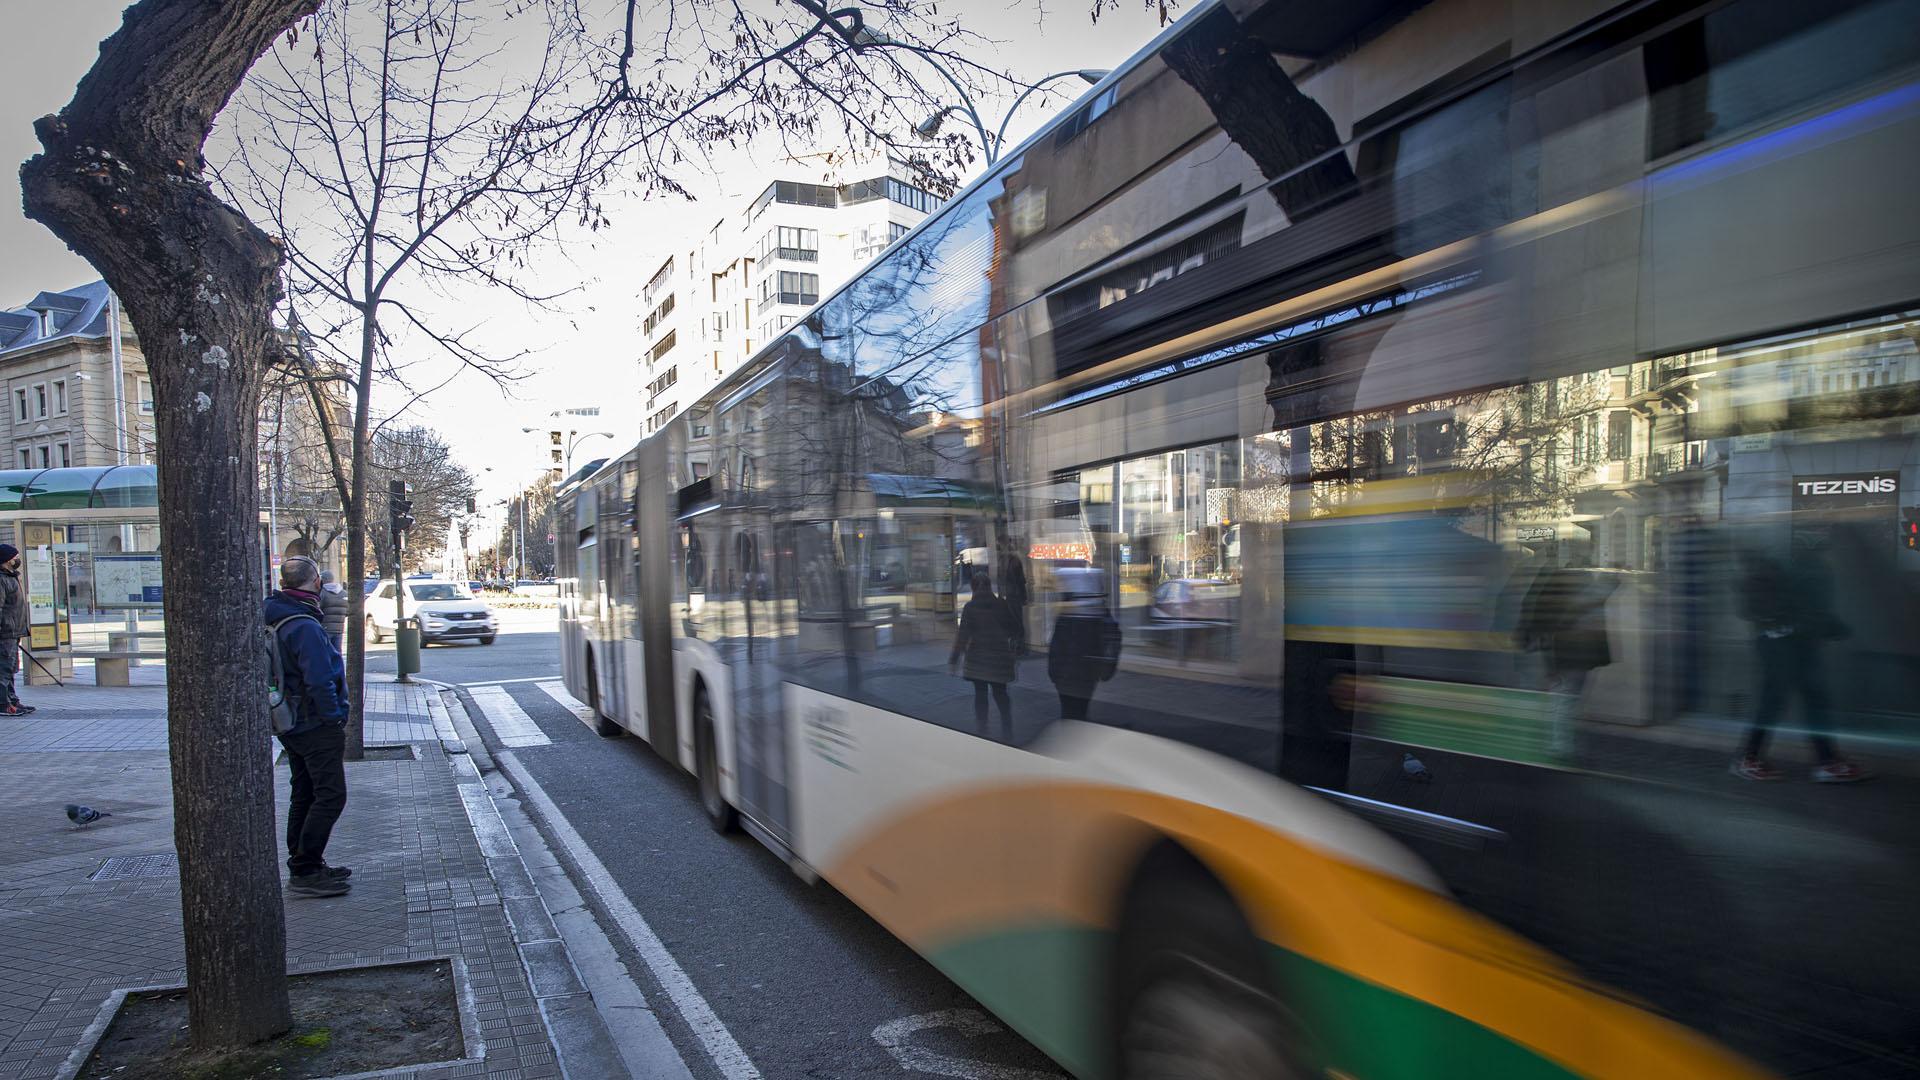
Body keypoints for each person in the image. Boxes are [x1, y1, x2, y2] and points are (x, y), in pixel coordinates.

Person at [1730, 535, 1865, 782]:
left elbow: (1810, 607)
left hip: (1797, 640)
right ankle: (1749, 758)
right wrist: (1822, 627)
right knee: (1780, 701)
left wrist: (1829, 627)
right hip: (1782, 642)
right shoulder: (1794, 562)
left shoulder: (1804, 562)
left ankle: (1826, 761)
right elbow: (1801, 606)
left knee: (1810, 700)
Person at [266, 555, 355, 897]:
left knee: (304, 790)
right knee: (331, 795)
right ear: (316, 583)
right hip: (313, 722)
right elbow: (319, 679)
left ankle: (305, 861)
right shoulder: (302, 624)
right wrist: (333, 717)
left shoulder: (276, 613)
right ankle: (305, 868)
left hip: (290, 720)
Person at [1518, 556, 1615, 759]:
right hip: (1571, 650)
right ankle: (1560, 745)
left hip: (1569, 650)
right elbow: (1584, 606)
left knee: (1565, 695)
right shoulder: (1568, 582)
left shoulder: (1557, 581)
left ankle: (1561, 741)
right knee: (1567, 696)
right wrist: (1609, 584)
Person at [949, 571, 1017, 740]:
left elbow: (963, 635)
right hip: (1000, 657)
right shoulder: (1001, 604)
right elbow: (1015, 629)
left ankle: (982, 728)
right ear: (989, 586)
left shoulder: (970, 608)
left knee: (980, 694)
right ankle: (1007, 728)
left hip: (978, 658)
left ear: (973, 587)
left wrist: (954, 659)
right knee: (1001, 693)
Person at [1047, 569, 1121, 721]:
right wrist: (1106, 669)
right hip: (1081, 673)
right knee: (1077, 710)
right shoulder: (1095, 613)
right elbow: (1113, 639)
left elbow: (1056, 645)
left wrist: (1054, 671)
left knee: (1071, 711)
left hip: (1070, 673)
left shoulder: (1067, 615)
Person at [0, 544, 31, 716]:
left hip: (13, 633)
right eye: (15, 556)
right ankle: (3, 704)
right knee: (3, 669)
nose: (17, 559)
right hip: (5, 633)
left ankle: (12, 700)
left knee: (10, 668)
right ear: (6, 560)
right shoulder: (2, 579)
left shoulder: (11, 577)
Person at [317, 568, 348, 652]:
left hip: (325, 628)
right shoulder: (344, 593)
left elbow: (317, 609)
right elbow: (347, 611)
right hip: (339, 628)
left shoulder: (322, 593)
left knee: (325, 652)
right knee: (337, 652)